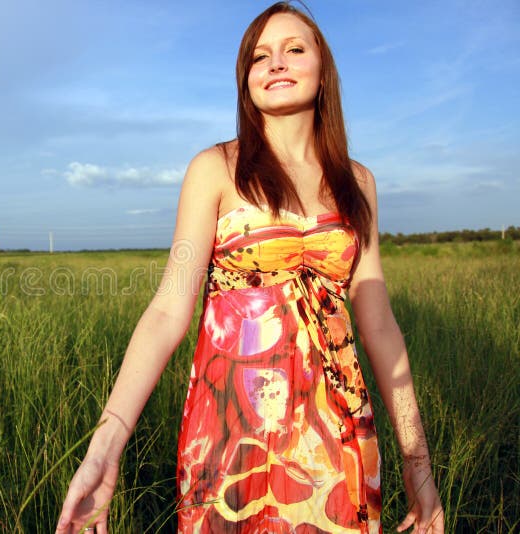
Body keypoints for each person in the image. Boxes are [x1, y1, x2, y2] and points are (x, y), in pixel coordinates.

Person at [56, 2, 444, 532]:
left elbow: (380, 327)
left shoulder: (359, 183)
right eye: (260, 57)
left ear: (324, 70)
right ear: (246, 79)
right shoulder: (215, 169)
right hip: (230, 437)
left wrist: (418, 467)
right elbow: (168, 310)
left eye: (294, 49)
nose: (276, 63)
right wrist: (104, 448)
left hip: (339, 437)